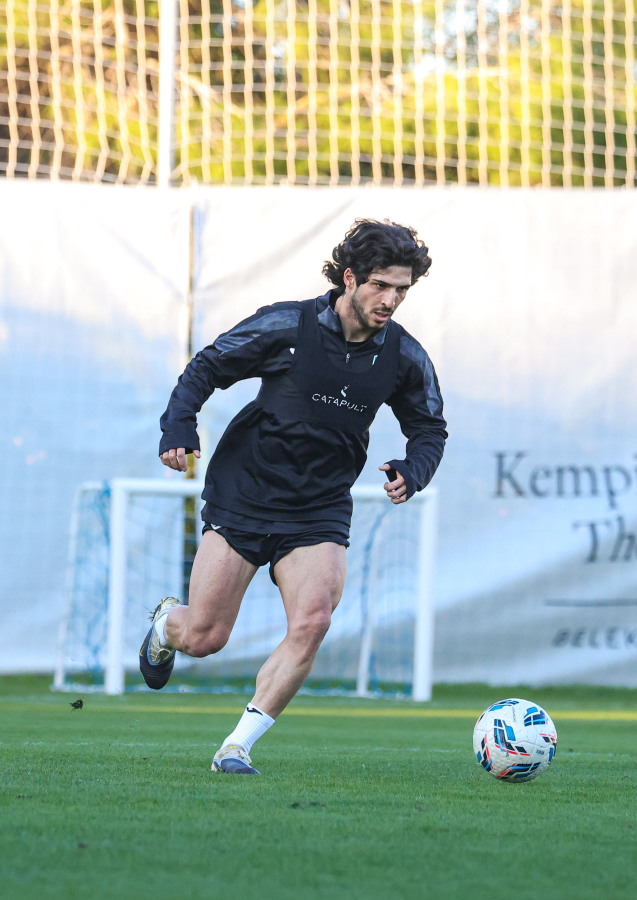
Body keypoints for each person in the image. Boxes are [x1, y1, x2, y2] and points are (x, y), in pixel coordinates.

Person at [142, 219, 447, 774]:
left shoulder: (404, 355)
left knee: (313, 621)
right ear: (350, 278)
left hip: (319, 507)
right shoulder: (287, 325)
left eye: (402, 289)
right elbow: (208, 366)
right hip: (245, 493)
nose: (391, 300)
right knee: (206, 637)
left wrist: (414, 469)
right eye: (380, 285)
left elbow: (429, 428)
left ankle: (236, 746)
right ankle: (167, 625)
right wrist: (179, 426)